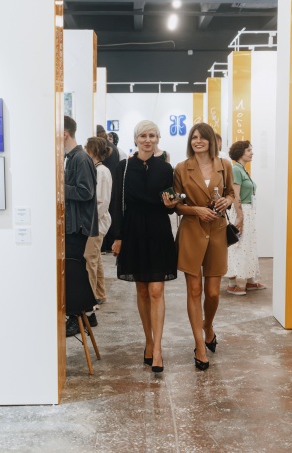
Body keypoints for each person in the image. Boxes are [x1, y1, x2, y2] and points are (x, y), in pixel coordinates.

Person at [110, 120, 178, 374]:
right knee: (141, 290)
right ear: (136, 139)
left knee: (156, 290)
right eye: (143, 136)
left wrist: (171, 205)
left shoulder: (166, 168)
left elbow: (169, 205)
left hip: (158, 230)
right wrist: (118, 236)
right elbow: (117, 204)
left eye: (152, 135)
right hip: (133, 231)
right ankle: (148, 341)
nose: (148, 140)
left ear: (158, 139)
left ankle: (157, 348)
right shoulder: (124, 166)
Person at [173, 123, 235, 370]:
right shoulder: (181, 168)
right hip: (191, 231)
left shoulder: (225, 165)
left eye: (202, 137)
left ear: (211, 141)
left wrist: (227, 201)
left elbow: (231, 194)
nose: (197, 141)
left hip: (217, 232)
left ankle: (207, 325)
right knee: (194, 290)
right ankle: (199, 346)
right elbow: (176, 205)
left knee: (213, 293)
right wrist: (196, 210)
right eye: (194, 137)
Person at [63, 116, 99, 337]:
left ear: (64, 133)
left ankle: (78, 315)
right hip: (73, 224)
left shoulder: (80, 158)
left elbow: (86, 192)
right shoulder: (72, 158)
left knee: (74, 269)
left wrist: (59, 186)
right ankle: (88, 312)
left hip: (78, 226)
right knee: (75, 268)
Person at [225, 140, 267, 296]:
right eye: (249, 150)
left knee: (247, 246)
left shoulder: (242, 169)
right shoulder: (236, 169)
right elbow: (235, 195)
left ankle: (249, 280)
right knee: (239, 246)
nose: (252, 153)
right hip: (241, 211)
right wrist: (240, 216)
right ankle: (238, 283)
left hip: (247, 211)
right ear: (240, 152)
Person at [83, 136, 113, 308]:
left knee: (90, 260)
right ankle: (99, 294)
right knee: (96, 258)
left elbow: (102, 202)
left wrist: (89, 222)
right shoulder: (98, 170)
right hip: (96, 222)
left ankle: (90, 299)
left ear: (92, 150)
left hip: (96, 223)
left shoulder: (101, 172)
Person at [97, 125, 120, 254]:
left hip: (106, 183)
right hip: (112, 182)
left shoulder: (103, 147)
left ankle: (104, 245)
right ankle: (108, 244)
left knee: (104, 211)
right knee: (110, 212)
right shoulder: (113, 147)